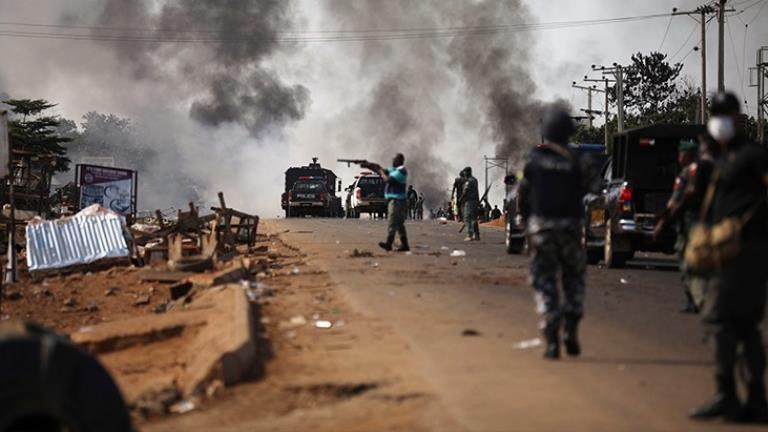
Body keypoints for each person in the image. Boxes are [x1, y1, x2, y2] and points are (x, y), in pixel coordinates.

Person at [689, 92, 768, 423]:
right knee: (744, 326)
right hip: (726, 249)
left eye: (725, 113)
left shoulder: (753, 156)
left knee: (719, 318)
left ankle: (727, 394)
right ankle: (755, 401)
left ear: (737, 116)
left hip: (746, 249)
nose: (719, 119)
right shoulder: (723, 159)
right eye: (715, 113)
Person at [517, 107, 597, 360]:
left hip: (542, 229)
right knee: (573, 278)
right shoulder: (580, 159)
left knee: (545, 281)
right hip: (571, 228)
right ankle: (571, 327)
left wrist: (525, 219)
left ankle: (551, 339)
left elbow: (523, 192)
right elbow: (594, 189)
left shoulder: (533, 159)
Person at [654, 139, 702, 313]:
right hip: (705, 225)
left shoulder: (687, 174)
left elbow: (675, 201)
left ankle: (694, 300)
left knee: (688, 262)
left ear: (687, 156)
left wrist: (663, 222)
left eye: (681, 154)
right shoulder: (709, 170)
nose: (679, 157)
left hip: (689, 225)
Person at [376, 153, 410, 252]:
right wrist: (373, 166)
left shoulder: (401, 171)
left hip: (397, 201)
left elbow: (388, 180)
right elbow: (384, 170)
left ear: (399, 160)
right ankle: (405, 245)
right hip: (396, 201)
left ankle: (389, 243)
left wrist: (381, 173)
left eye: (394, 159)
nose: (392, 161)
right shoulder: (394, 170)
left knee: (392, 221)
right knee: (399, 224)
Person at [461, 167, 480, 241]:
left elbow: (465, 191)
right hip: (475, 201)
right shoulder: (475, 180)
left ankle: (469, 234)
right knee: (474, 218)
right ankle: (477, 235)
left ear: (468, 172)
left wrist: (461, 199)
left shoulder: (469, 181)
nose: (464, 174)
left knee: (467, 217)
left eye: (465, 172)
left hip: (469, 201)